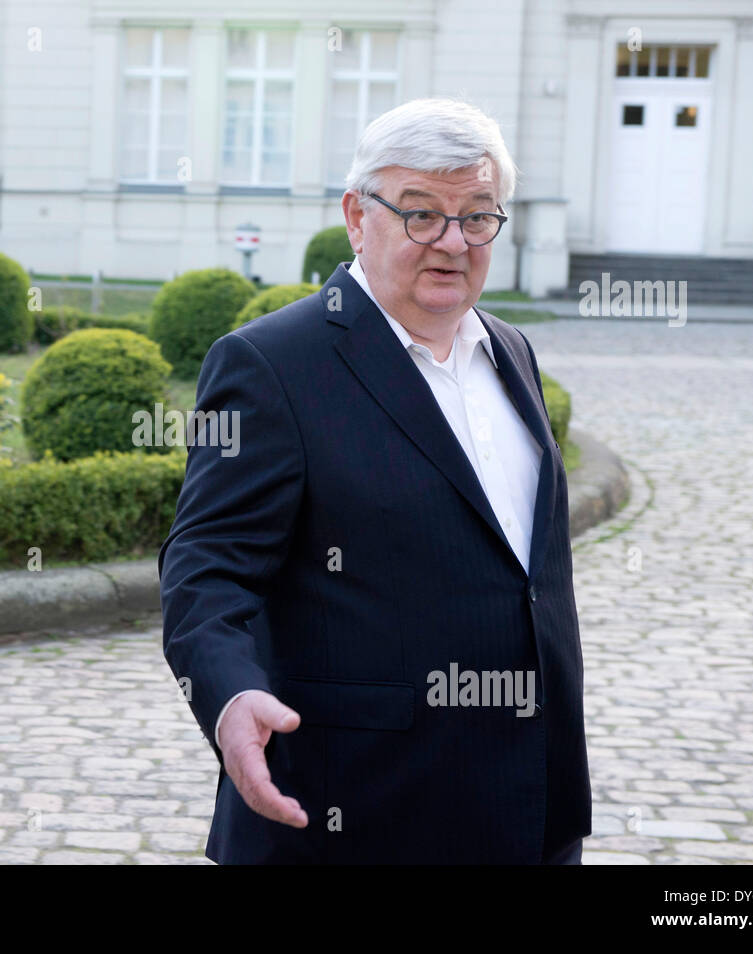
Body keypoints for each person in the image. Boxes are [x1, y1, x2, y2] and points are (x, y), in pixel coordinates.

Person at [159, 98, 591, 864]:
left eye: (478, 217)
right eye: (421, 215)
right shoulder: (272, 365)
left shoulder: (512, 351)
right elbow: (206, 569)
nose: (453, 243)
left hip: (531, 806)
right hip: (354, 810)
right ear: (359, 216)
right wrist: (227, 696)